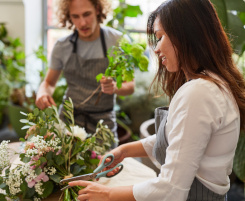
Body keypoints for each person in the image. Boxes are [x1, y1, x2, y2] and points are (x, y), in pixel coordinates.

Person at [68, 0, 245, 200]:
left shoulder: (199, 93)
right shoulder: (213, 84)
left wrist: (107, 194)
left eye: (160, 37)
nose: (156, 48)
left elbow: (171, 189)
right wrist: (125, 150)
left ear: (184, 34)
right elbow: (183, 138)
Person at [35, 0, 134, 146]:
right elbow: (49, 83)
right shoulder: (62, 46)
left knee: (106, 166)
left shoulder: (117, 41)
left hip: (103, 123)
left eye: (87, 14)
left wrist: (114, 87)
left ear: (98, 10)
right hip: (69, 120)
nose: (82, 23)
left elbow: (130, 86)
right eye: (76, 16)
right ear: (69, 16)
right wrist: (42, 93)